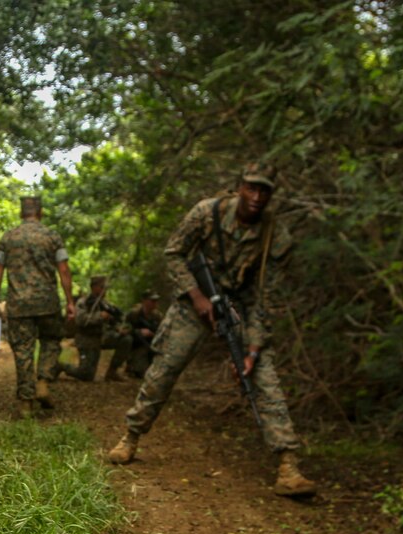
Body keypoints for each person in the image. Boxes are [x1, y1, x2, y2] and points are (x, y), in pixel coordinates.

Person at [107, 162, 316, 497]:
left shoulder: (275, 236)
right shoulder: (207, 213)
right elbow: (174, 253)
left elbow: (267, 297)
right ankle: (130, 437)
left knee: (264, 378)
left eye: (265, 190)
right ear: (240, 186)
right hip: (194, 304)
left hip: (240, 308)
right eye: (252, 187)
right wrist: (197, 296)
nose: (257, 196)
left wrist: (252, 349)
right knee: (165, 369)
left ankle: (288, 466)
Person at [0, 196, 75, 417]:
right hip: (48, 303)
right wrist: (70, 301)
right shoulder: (51, 236)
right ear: (40, 212)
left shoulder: (9, 237)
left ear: (21, 213)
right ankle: (43, 382)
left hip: (19, 305)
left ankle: (26, 402)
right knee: (51, 342)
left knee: (23, 351)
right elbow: (63, 269)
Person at [62, 275, 131, 382]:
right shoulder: (83, 302)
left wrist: (118, 328)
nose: (105, 290)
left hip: (102, 338)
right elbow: (80, 320)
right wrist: (99, 316)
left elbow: (115, 320)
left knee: (125, 339)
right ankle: (61, 366)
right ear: (94, 287)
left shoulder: (105, 304)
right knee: (86, 374)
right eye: (102, 287)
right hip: (87, 340)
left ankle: (112, 372)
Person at [124, 290, 163, 378]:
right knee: (140, 373)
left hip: (151, 346)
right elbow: (124, 329)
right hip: (138, 346)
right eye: (152, 301)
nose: (155, 303)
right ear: (144, 301)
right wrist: (138, 332)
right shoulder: (133, 314)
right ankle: (131, 364)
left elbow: (162, 333)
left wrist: (152, 334)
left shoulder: (158, 316)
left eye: (156, 301)